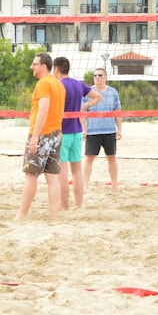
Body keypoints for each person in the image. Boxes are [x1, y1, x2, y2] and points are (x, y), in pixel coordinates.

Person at [14, 52, 65, 220]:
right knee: (52, 178)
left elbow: (44, 108)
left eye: (34, 64)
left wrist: (35, 136)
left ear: (44, 66)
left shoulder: (43, 83)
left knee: (31, 175)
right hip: (56, 134)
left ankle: (22, 214)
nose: (32, 67)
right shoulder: (58, 84)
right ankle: (54, 217)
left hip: (42, 134)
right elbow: (60, 111)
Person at [52, 57, 98, 209]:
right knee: (77, 171)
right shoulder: (78, 84)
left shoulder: (58, 85)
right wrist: (83, 107)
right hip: (77, 131)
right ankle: (78, 206)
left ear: (56, 70)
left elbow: (56, 110)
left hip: (62, 132)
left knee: (62, 171)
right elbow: (98, 97)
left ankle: (65, 207)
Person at [82, 68, 122, 189]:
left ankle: (114, 185)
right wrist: (83, 129)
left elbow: (118, 112)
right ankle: (85, 186)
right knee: (89, 158)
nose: (97, 77)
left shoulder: (113, 92)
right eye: (95, 75)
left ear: (105, 77)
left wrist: (119, 129)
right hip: (93, 131)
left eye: (100, 75)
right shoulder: (88, 92)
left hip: (109, 130)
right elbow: (82, 112)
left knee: (111, 158)